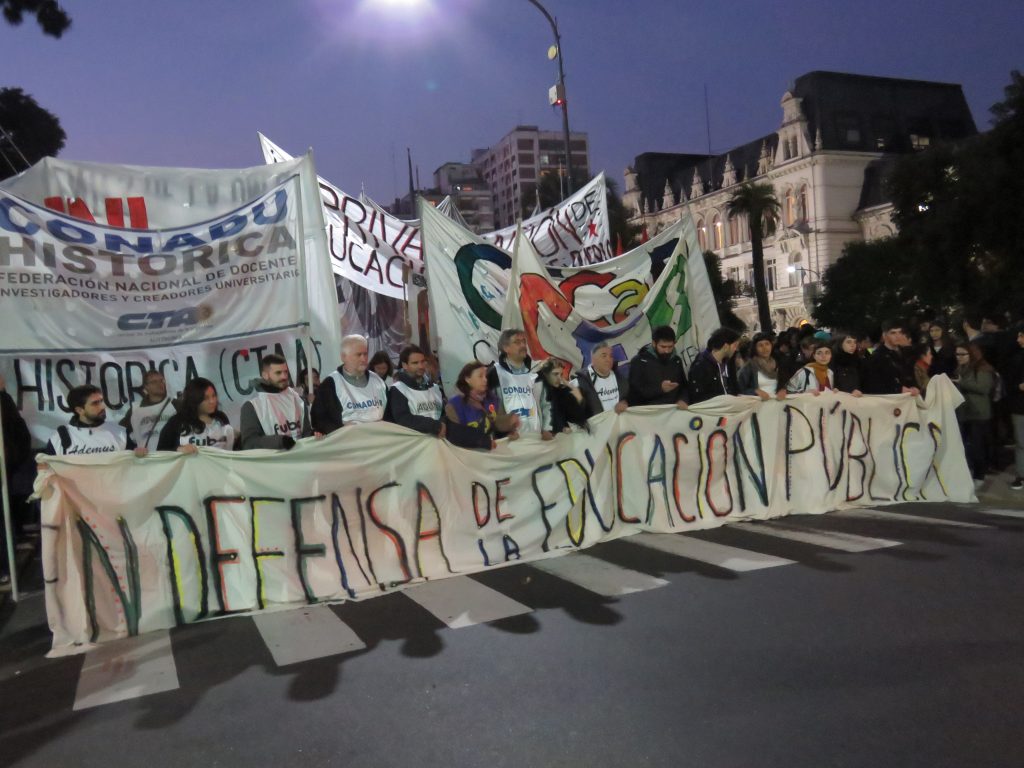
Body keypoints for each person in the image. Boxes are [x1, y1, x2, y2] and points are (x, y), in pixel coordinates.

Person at [311, 334, 389, 435]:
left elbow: (390, 415)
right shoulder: (330, 384)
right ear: (344, 357)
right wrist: (340, 429)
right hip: (348, 443)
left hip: (380, 441)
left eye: (365, 354)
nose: (363, 359)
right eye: (358, 354)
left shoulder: (378, 381)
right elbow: (318, 419)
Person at [239, 354, 312, 450]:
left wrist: (314, 434)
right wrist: (279, 441)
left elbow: (306, 431)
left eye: (286, 372)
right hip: (273, 462)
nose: (284, 376)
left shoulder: (297, 398)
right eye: (278, 373)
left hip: (301, 458)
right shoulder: (252, 405)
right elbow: (250, 443)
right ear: (265, 375)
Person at [445, 362, 520, 450]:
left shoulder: (493, 399)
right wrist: (483, 442)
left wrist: (508, 429)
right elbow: (456, 435)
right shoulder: (454, 405)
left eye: (486, 376)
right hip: (467, 455)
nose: (485, 380)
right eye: (480, 376)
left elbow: (496, 425)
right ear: (467, 379)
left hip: (490, 452)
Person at [45, 385, 136, 456]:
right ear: (79, 410)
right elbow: (48, 471)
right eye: (95, 403)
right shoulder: (59, 438)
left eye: (101, 401)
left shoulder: (121, 433)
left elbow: (133, 466)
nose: (103, 406)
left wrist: (139, 456)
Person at [953, 342, 995, 488]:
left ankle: (979, 475)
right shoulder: (961, 368)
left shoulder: (982, 368)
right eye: (957, 354)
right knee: (966, 445)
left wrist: (961, 383)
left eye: (962, 354)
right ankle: (971, 473)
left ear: (972, 354)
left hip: (979, 413)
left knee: (977, 446)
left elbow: (984, 388)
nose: (959, 357)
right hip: (964, 413)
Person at [487, 328, 543, 433]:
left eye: (524, 342)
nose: (523, 345)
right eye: (517, 342)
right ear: (506, 348)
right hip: (509, 440)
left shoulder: (535, 372)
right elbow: (489, 407)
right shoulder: (494, 372)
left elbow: (545, 404)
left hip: (536, 438)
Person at [157, 378, 236, 452]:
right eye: (206, 398)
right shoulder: (176, 422)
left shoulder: (221, 418)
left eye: (214, 396)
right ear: (194, 400)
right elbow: (161, 451)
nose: (212, 401)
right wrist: (178, 449)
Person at [387, 344, 446, 437]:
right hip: (414, 444)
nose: (421, 366)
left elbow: (443, 414)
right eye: (415, 363)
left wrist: (442, 425)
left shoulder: (435, 388)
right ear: (405, 365)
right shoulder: (398, 389)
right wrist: (434, 426)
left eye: (423, 361)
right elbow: (403, 419)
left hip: (438, 441)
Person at [627, 325, 689, 408]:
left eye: (670, 347)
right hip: (649, 415)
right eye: (663, 347)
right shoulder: (639, 361)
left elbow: (684, 387)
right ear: (654, 343)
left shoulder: (677, 361)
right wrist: (660, 389)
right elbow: (634, 394)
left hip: (674, 413)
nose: (667, 351)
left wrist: (683, 399)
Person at [120, 370, 175, 452]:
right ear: (146, 387)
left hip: (171, 456)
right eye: (154, 382)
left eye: (161, 380)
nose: (160, 384)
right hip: (146, 458)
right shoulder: (135, 409)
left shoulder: (176, 404)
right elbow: (121, 431)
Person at [861, 319, 919, 396]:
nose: (897, 336)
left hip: (908, 398)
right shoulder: (877, 357)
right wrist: (898, 389)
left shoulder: (906, 353)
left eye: (900, 332)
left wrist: (914, 387)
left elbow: (909, 374)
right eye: (893, 333)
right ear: (884, 336)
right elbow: (874, 384)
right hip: (889, 400)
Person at [535, 359, 588, 438]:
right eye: (555, 374)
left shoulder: (563, 391)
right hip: (539, 437)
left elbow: (578, 418)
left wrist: (579, 399)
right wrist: (560, 428)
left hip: (559, 440)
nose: (559, 378)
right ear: (546, 374)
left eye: (561, 374)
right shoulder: (537, 390)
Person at [687, 327, 741, 404]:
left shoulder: (729, 363)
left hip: (730, 407)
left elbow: (735, 388)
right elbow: (698, 397)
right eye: (735, 345)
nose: (736, 349)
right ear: (725, 346)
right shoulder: (700, 366)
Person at [575, 341, 629, 416]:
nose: (608, 359)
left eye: (610, 356)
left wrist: (625, 402)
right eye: (604, 356)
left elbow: (629, 397)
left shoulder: (620, 378)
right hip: (596, 426)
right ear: (593, 359)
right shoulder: (580, 382)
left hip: (620, 424)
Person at [737, 332, 786, 400]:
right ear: (755, 348)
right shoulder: (750, 366)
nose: (764, 348)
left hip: (775, 404)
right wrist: (754, 391)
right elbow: (739, 389)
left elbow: (782, 384)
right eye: (760, 345)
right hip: (757, 406)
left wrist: (782, 389)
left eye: (767, 344)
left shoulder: (777, 364)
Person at [1005, 325, 1024, 490]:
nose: (1018, 340)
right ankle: (1021, 475)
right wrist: (1019, 387)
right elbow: (1009, 383)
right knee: (1021, 442)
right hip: (1019, 406)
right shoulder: (1016, 358)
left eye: (1021, 336)